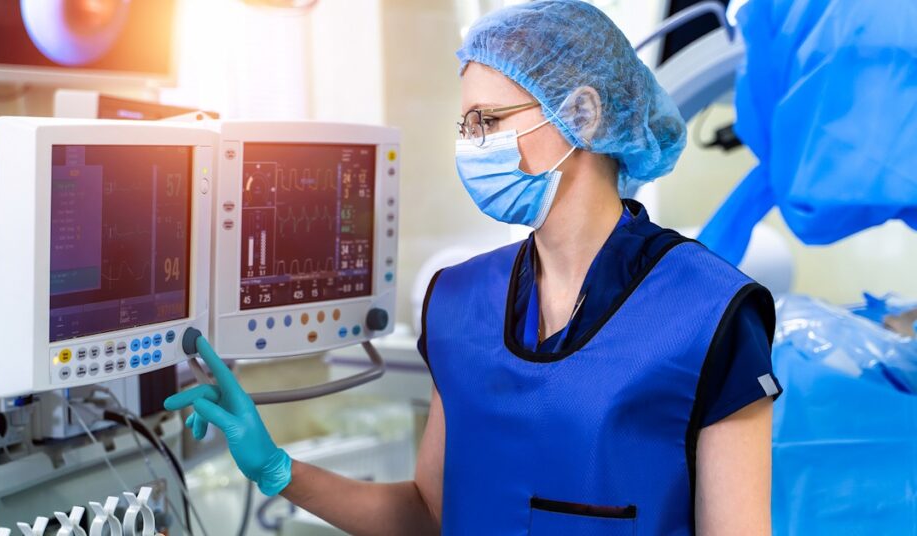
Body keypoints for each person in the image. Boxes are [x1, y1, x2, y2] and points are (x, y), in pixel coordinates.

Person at [165, 1, 781, 534]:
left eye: (488, 121)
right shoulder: (458, 303)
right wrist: (277, 470)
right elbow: (426, 514)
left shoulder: (708, 313)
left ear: (583, 115)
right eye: (465, 125)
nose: (471, 145)